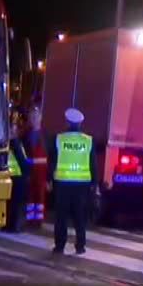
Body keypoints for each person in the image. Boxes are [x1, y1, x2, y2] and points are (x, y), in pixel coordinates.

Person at [49, 107, 92, 255]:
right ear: (80, 124)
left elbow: (52, 161)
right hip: (81, 185)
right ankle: (80, 246)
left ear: (67, 122)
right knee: (79, 217)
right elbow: (93, 164)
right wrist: (95, 184)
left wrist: (49, 179)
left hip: (63, 184)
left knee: (61, 217)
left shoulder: (59, 139)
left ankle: (59, 246)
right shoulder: (87, 141)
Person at [3, 118, 32, 233]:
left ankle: (13, 226)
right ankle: (12, 225)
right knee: (13, 203)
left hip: (16, 177)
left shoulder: (13, 143)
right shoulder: (15, 142)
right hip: (14, 176)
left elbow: (22, 161)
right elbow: (23, 161)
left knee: (14, 204)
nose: (13, 132)